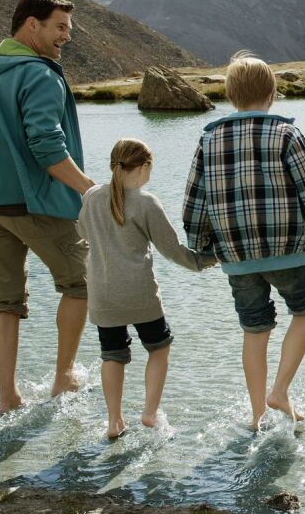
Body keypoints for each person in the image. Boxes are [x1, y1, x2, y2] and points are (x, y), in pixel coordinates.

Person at [0, 0, 94, 414]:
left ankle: (8, 397)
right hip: (35, 202)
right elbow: (46, 146)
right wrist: (90, 189)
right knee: (81, 283)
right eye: (60, 27)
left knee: (5, 301)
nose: (66, 36)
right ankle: (64, 377)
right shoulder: (40, 74)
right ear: (32, 25)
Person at [183, 53, 305, 431]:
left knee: (254, 329)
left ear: (230, 95)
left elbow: (194, 203)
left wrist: (201, 245)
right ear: (272, 93)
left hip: (236, 257)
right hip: (288, 252)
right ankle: (279, 391)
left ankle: (257, 414)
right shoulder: (287, 134)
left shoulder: (208, 140)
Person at [78, 139, 216, 439]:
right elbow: (173, 250)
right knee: (159, 347)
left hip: (102, 295)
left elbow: (82, 233)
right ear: (143, 167)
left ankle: (114, 421)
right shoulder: (146, 202)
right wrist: (205, 261)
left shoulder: (91, 197)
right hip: (140, 294)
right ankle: (150, 413)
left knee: (112, 355)